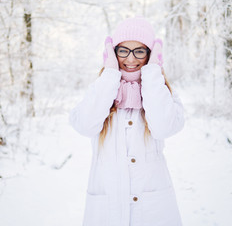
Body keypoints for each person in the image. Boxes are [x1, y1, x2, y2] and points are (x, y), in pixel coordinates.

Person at [69, 17, 185, 226]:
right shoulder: (101, 90)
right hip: (107, 209)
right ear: (113, 54)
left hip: (152, 211)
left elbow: (162, 127)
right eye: (123, 51)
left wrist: (152, 74)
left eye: (139, 51)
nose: (131, 59)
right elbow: (85, 125)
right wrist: (110, 74)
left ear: (151, 55)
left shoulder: (162, 92)